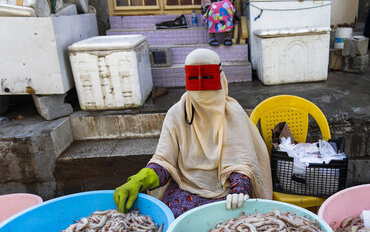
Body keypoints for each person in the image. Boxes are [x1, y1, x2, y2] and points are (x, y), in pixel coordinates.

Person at [114, 48, 273, 217]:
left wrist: (239, 189)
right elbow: (164, 162)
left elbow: (242, 162)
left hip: (227, 193)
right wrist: (139, 180)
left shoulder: (234, 114)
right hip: (185, 189)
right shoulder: (177, 113)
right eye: (195, 80)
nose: (202, 92)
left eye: (207, 78)